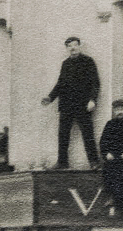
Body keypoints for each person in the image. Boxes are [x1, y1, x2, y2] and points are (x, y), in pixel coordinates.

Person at [42, 37, 100, 169]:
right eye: (69, 46)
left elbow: (95, 83)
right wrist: (50, 97)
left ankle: (94, 162)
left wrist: (92, 100)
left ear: (79, 46)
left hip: (83, 104)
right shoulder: (65, 64)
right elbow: (60, 83)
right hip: (66, 105)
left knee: (88, 134)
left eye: (75, 45)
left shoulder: (88, 61)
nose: (73, 48)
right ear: (67, 49)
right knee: (63, 135)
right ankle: (62, 162)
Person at [98, 100, 123, 217]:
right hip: (112, 157)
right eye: (117, 110)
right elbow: (103, 142)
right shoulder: (109, 124)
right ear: (114, 111)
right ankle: (112, 200)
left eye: (121, 109)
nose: (119, 112)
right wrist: (106, 153)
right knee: (109, 168)